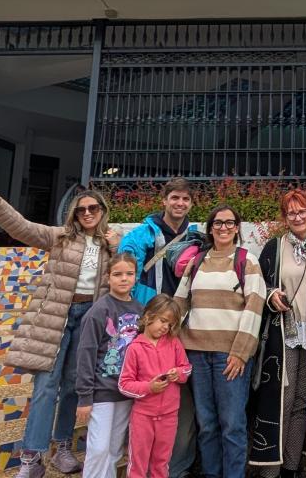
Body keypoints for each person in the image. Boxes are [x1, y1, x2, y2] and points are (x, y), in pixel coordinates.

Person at [0, 176, 119, 477]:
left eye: (93, 208)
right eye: (80, 209)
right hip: (56, 317)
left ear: (102, 210)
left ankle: (61, 447)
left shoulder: (110, 243)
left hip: (91, 319)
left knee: (74, 385)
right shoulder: (60, 236)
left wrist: (116, 245)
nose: (87, 213)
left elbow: (127, 273)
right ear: (73, 214)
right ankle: (31, 458)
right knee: (46, 387)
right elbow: (23, 227)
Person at [174, 204, 266, 478]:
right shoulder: (197, 261)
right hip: (196, 354)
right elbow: (180, 304)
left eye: (229, 223)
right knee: (207, 424)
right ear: (210, 227)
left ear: (237, 228)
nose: (223, 227)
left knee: (233, 425)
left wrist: (240, 353)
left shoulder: (247, 261)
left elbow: (255, 306)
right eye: (218, 223)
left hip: (230, 358)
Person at [249, 189, 306, 477]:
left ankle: (290, 467)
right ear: (285, 218)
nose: (298, 217)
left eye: (302, 211)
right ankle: (269, 469)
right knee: (280, 399)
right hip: (282, 334)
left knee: (303, 401)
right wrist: (272, 294)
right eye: (291, 213)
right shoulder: (274, 247)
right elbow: (259, 285)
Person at [118, 176, 197, 477]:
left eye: (185, 199)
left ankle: (172, 469)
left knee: (177, 400)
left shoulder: (196, 235)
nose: (179, 204)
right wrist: (155, 310)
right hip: (152, 324)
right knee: (142, 393)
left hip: (182, 326)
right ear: (164, 200)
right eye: (174, 198)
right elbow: (128, 273)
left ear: (191, 203)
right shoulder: (142, 235)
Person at [75, 252, 143, 478]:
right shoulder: (99, 310)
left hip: (125, 392)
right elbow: (86, 354)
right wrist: (85, 396)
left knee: (114, 449)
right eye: (117, 274)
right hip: (101, 392)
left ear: (136, 276)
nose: (124, 278)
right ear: (107, 278)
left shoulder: (140, 310)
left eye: (129, 274)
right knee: (99, 448)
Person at [119, 294, 192, 478]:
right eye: (163, 321)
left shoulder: (174, 343)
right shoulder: (135, 348)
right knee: (138, 465)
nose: (166, 327)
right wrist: (148, 388)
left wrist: (178, 373)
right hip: (143, 417)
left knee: (162, 464)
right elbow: (124, 384)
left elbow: (187, 368)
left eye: (170, 324)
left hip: (169, 416)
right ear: (148, 316)